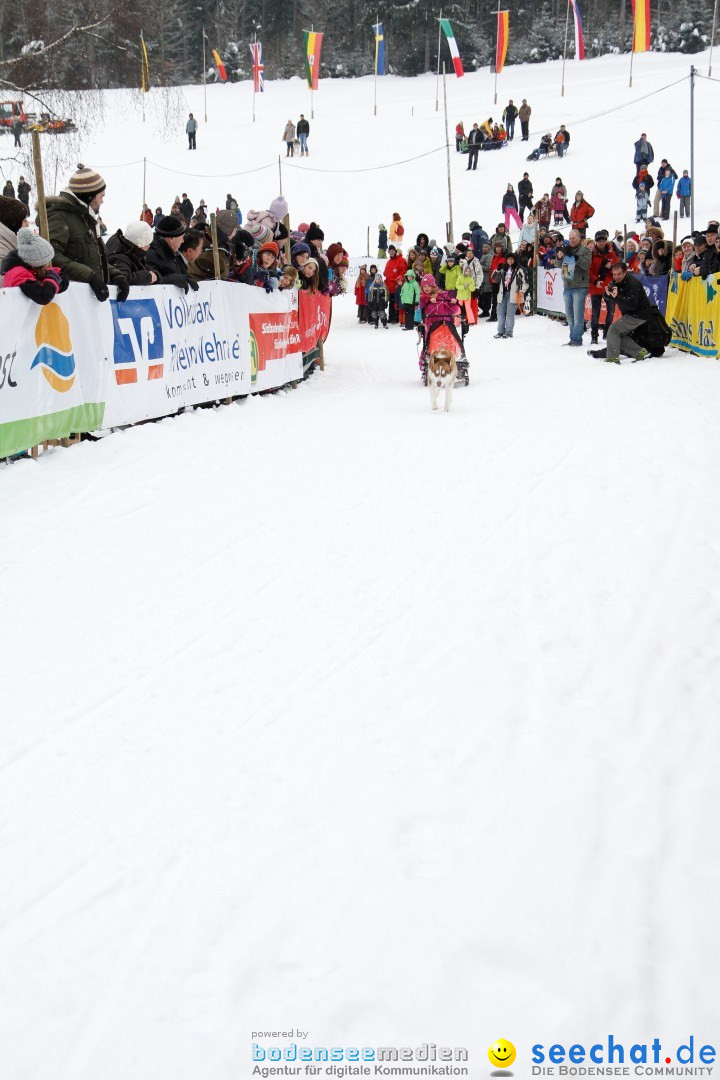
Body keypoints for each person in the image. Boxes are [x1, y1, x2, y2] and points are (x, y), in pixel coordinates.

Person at [46, 163, 129, 303]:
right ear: (89, 196)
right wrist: (89, 277)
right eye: (101, 196)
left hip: (90, 306)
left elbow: (94, 260)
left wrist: (117, 276)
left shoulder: (86, 218)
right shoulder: (60, 216)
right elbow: (50, 257)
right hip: (70, 304)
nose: (102, 201)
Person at [589, 261, 652, 363]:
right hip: (633, 314)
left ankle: (612, 358)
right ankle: (640, 353)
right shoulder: (616, 281)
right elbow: (606, 296)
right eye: (614, 274)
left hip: (639, 314)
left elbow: (631, 305)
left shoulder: (632, 283)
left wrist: (616, 297)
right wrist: (607, 293)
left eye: (619, 274)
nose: (616, 277)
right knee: (617, 334)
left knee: (613, 329)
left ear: (625, 272)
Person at [0, 228, 68, 304]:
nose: (49, 264)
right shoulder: (18, 274)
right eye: (47, 261)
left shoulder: (32, 268)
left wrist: (53, 283)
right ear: (38, 263)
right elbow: (44, 296)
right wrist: (53, 281)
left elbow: (63, 276)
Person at [146, 215, 198, 291]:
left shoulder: (172, 253)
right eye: (182, 237)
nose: (183, 241)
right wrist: (172, 279)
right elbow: (148, 283)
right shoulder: (152, 254)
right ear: (171, 238)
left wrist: (185, 278)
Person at [557, 229, 591, 347]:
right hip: (567, 285)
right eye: (570, 238)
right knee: (569, 315)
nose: (571, 240)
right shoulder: (566, 249)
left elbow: (586, 265)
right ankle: (573, 337)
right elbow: (557, 264)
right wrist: (560, 256)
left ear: (579, 239)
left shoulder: (585, 250)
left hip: (580, 285)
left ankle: (576, 339)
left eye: (573, 238)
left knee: (578, 315)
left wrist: (576, 257)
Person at [588, 231, 617, 343]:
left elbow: (616, 269)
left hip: (608, 286)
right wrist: (595, 281)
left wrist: (611, 266)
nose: (601, 242)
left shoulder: (612, 253)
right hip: (596, 287)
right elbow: (589, 270)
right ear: (596, 241)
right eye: (599, 240)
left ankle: (607, 332)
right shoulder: (591, 254)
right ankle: (594, 336)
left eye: (603, 240)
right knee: (595, 313)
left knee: (611, 311)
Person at [105, 220, 157, 285]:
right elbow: (122, 279)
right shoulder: (120, 257)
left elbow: (143, 267)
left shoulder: (130, 252)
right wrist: (149, 276)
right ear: (140, 244)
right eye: (147, 243)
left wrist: (155, 274)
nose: (149, 247)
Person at [494, 251, 526, 339]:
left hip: (513, 294)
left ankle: (509, 332)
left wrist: (522, 291)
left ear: (515, 260)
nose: (510, 260)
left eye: (512, 259)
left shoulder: (519, 269)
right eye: (508, 259)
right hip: (502, 293)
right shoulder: (503, 268)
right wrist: (497, 269)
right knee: (500, 313)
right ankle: (500, 331)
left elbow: (525, 282)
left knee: (509, 314)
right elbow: (494, 279)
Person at [0, 196, 27, 285]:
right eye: (24, 221)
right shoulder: (2, 245)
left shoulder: (8, 240)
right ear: (14, 223)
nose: (27, 225)